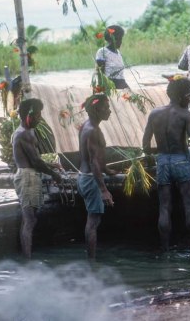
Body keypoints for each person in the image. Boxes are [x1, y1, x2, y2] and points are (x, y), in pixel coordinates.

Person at [142, 78, 190, 252]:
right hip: (181, 161)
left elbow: (145, 146)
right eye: (188, 96)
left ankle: (165, 250)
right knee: (189, 205)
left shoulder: (154, 113)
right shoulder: (186, 115)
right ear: (181, 96)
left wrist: (158, 152)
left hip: (163, 162)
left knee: (164, 208)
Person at [12, 98, 63, 258]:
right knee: (30, 220)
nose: (40, 119)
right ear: (29, 116)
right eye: (38, 115)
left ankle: (27, 256)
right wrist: (54, 174)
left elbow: (34, 158)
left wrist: (51, 165)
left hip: (29, 175)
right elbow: (35, 161)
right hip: (27, 177)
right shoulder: (24, 134)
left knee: (29, 219)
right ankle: (27, 259)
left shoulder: (27, 131)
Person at [77, 93, 114, 260]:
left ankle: (91, 259)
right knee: (93, 222)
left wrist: (106, 169)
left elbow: (96, 157)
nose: (109, 111)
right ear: (97, 110)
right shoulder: (92, 130)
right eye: (106, 108)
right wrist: (104, 190)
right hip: (90, 179)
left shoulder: (87, 126)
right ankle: (91, 262)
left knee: (93, 220)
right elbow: (93, 162)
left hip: (84, 176)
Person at [95, 25, 128, 90]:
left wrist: (129, 90)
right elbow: (100, 75)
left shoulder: (118, 53)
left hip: (121, 88)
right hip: (110, 89)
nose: (120, 41)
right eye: (117, 39)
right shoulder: (102, 52)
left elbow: (121, 77)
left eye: (121, 39)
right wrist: (102, 90)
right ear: (110, 39)